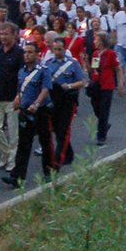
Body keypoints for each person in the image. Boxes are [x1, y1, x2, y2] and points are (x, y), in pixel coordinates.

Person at [3, 40, 54, 189]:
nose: (27, 55)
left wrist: (36, 104)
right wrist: (17, 100)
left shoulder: (44, 70)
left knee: (45, 142)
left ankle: (49, 172)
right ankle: (17, 177)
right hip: (26, 110)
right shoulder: (22, 71)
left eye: (30, 52)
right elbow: (21, 89)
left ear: (37, 54)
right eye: (25, 52)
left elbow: (45, 89)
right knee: (24, 144)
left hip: (41, 110)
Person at [42, 34, 87, 169]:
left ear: (64, 49)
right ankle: (69, 154)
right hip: (54, 100)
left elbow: (82, 81)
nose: (57, 52)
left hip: (67, 100)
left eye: (60, 49)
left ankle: (57, 160)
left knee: (64, 130)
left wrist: (70, 86)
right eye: (55, 49)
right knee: (56, 128)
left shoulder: (72, 63)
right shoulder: (48, 64)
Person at [0, 24, 24, 172]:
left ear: (14, 35)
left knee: (13, 133)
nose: (3, 37)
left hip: (12, 98)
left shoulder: (19, 53)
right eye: (1, 34)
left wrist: (19, 95)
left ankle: (12, 161)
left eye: (6, 34)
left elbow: (23, 76)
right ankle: (6, 152)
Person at [86, 31, 122, 146]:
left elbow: (118, 69)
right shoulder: (96, 54)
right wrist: (86, 61)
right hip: (97, 84)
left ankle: (101, 136)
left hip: (107, 85)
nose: (94, 41)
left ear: (101, 41)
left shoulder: (111, 54)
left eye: (96, 39)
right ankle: (104, 125)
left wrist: (120, 84)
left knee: (104, 111)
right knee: (95, 105)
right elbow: (93, 69)